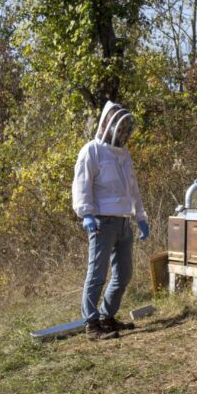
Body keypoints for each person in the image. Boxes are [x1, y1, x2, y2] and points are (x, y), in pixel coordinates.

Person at [72, 101, 149, 341]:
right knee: (97, 274)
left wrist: (141, 217)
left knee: (124, 273)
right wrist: (86, 214)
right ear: (107, 124)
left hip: (124, 222)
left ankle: (107, 316)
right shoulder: (91, 151)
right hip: (101, 222)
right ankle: (92, 325)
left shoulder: (124, 154)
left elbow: (133, 188)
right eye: (120, 126)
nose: (123, 132)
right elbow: (81, 185)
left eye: (126, 128)